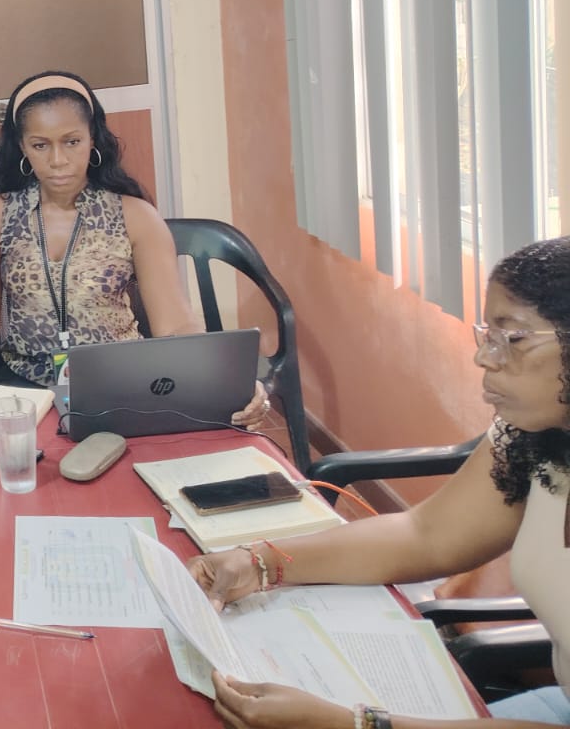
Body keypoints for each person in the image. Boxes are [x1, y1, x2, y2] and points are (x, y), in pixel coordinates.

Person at [188, 235, 570, 728]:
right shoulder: (539, 438)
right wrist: (258, 563)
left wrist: (358, 724)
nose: (484, 358)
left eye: (512, 338)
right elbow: (427, 535)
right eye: (487, 334)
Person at [0, 70, 266, 426]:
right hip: (24, 390)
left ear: (92, 138)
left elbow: (175, 322)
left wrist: (226, 380)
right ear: (21, 147)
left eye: (72, 141)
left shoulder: (136, 216)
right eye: (40, 145)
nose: (58, 159)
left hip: (122, 385)